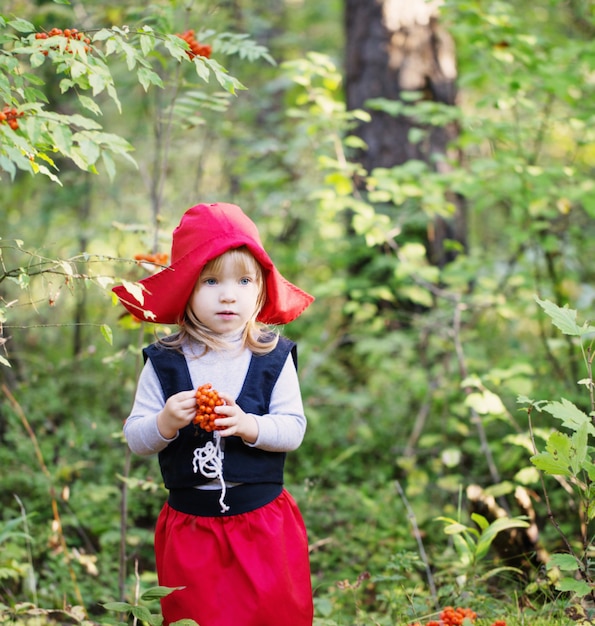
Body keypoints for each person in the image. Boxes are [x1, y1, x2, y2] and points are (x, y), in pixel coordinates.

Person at [112, 202, 315, 626]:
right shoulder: (164, 362)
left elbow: (293, 428)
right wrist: (165, 422)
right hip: (192, 528)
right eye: (210, 281)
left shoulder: (272, 356)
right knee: (197, 617)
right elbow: (136, 435)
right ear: (186, 287)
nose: (228, 294)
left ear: (260, 288)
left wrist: (248, 425)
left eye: (244, 280)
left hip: (262, 524)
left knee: (274, 615)